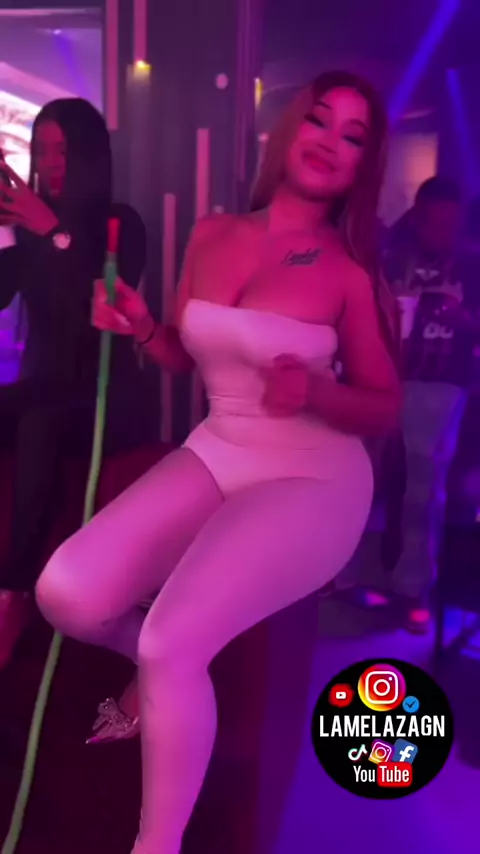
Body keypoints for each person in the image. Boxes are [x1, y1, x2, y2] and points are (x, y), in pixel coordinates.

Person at [36, 71, 400, 854]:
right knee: (66, 593)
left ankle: (156, 844)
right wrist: (139, 326)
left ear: (361, 165)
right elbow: (181, 352)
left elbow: (383, 405)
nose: (330, 142)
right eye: (321, 120)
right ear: (290, 130)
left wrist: (318, 392)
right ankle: (160, 671)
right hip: (220, 447)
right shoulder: (213, 232)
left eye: (354, 136)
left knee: (171, 641)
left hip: (314, 475)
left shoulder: (348, 270)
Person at [0, 98, 154, 667]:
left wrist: (53, 232)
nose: (50, 162)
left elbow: (102, 303)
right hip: (45, 385)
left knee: (40, 424)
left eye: (63, 150)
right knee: (32, 410)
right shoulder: (31, 232)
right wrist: (8, 232)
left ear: (89, 155)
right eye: (42, 150)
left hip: (108, 398)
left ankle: (11, 596)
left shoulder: (121, 224)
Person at [374, 176, 480, 632]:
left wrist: (465, 318)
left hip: (442, 386)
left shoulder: (471, 264)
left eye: (450, 224)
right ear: (418, 218)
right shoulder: (394, 259)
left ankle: (413, 589)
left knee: (424, 489)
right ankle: (366, 570)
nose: (443, 233)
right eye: (435, 223)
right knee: (371, 478)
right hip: (386, 378)